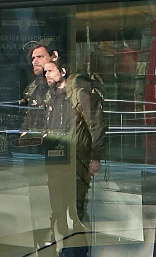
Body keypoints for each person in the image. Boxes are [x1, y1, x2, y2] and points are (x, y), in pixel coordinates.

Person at [41, 55, 107, 236]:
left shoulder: (79, 95)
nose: (47, 75)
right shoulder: (50, 97)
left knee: (77, 206)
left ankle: (80, 245)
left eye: (51, 71)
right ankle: (60, 244)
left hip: (76, 159)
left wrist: (95, 157)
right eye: (45, 71)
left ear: (63, 71)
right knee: (57, 206)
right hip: (55, 159)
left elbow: (96, 125)